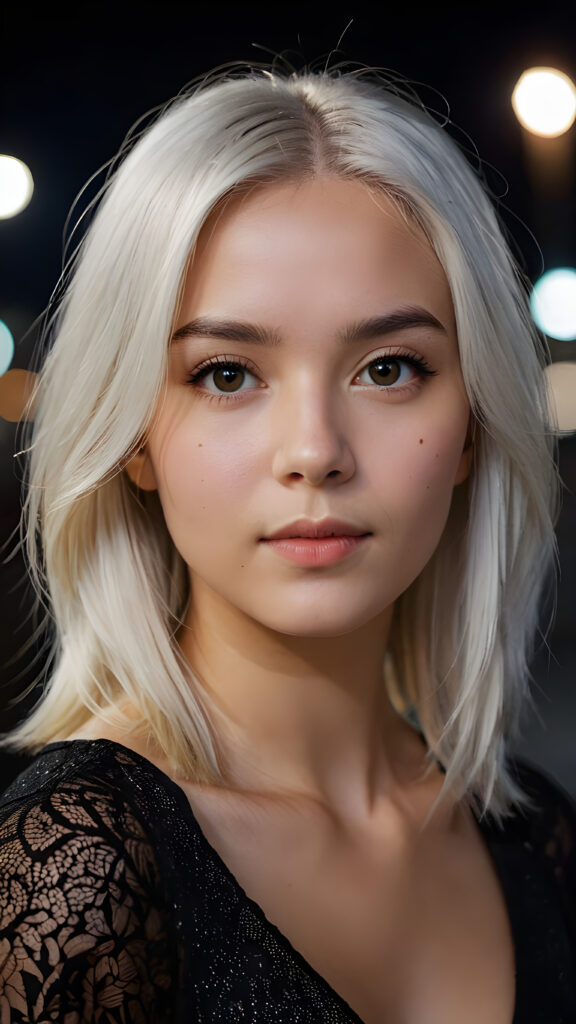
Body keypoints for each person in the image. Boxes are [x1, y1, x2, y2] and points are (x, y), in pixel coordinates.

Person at [0, 63, 574, 1024]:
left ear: (474, 420)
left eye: (390, 368)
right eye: (227, 374)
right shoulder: (72, 875)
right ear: (135, 437)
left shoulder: (538, 841)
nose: (314, 451)